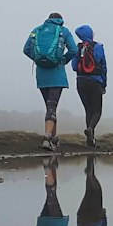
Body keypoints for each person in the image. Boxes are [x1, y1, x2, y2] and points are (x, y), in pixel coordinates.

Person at [23, 11, 77, 152]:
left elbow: (26, 49)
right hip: (57, 74)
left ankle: (54, 138)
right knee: (52, 107)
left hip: (42, 74)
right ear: (61, 20)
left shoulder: (37, 30)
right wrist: (63, 60)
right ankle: (47, 138)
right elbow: (74, 50)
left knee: (50, 107)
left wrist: (38, 60)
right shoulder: (63, 31)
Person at [70, 25, 107, 148]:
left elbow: (74, 66)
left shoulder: (78, 48)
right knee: (97, 111)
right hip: (95, 82)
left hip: (80, 82)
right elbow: (103, 67)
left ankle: (90, 140)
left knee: (88, 110)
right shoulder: (98, 47)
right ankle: (90, 129)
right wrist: (104, 84)